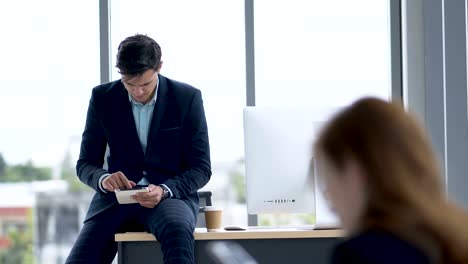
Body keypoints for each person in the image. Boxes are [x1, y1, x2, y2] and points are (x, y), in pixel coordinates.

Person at [66, 34, 211, 264]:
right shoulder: (103, 98)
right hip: (114, 200)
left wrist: (164, 190)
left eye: (145, 84)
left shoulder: (186, 98)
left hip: (168, 197)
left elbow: (201, 168)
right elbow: (85, 164)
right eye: (129, 84)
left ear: (159, 67)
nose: (138, 92)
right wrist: (103, 179)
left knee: (177, 234)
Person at [313, 97, 468, 264]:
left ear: (355, 173)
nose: (328, 197)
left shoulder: (362, 254)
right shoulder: (458, 235)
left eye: (329, 178)